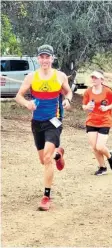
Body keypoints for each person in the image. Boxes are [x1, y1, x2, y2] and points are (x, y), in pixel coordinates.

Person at [15, 44, 73, 211]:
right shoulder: (31, 77)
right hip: (37, 122)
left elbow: (68, 92)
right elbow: (18, 96)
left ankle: (46, 196)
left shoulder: (60, 76)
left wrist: (67, 100)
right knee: (43, 159)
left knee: (46, 158)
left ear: (52, 58)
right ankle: (58, 154)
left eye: (48, 57)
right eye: (42, 57)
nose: (45, 60)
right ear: (38, 59)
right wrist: (27, 103)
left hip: (54, 120)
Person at [82, 70, 112, 175]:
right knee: (94, 147)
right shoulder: (88, 92)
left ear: (101, 80)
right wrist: (87, 107)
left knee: (100, 147)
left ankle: (110, 156)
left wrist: (107, 107)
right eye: (92, 77)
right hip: (91, 121)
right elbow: (84, 106)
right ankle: (103, 167)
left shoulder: (107, 91)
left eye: (96, 78)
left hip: (105, 121)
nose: (93, 79)